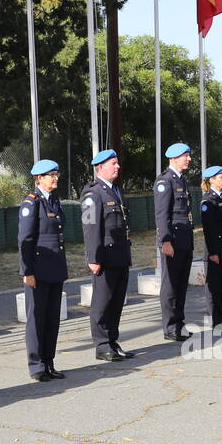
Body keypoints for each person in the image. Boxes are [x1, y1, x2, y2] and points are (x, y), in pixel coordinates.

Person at [81, 149, 134, 361]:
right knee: (102, 303)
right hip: (105, 256)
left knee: (117, 301)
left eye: (117, 162)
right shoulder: (92, 193)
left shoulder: (116, 191)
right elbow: (90, 227)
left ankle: (112, 341)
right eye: (114, 163)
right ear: (100, 167)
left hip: (120, 254)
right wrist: (93, 258)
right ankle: (102, 345)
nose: (118, 166)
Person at [19, 159, 68, 381]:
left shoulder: (54, 200)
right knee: (37, 318)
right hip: (38, 270)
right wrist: (27, 271)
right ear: (39, 179)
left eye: (56, 174)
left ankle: (49, 362)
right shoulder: (32, 203)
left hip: (55, 267)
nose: (55, 178)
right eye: (50, 175)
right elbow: (25, 239)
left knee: (52, 319)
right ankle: (36, 365)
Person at [154, 143, 196, 340]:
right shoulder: (165, 181)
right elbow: (162, 215)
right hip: (173, 240)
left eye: (188, 155)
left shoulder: (182, 180)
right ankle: (170, 327)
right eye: (185, 156)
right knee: (170, 285)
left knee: (180, 284)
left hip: (185, 239)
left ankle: (179, 324)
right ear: (173, 158)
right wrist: (165, 241)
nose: (188, 159)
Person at [199, 166, 222, 329]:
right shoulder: (208, 201)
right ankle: (214, 320)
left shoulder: (221, 198)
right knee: (214, 287)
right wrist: (213, 252)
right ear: (211, 180)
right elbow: (209, 230)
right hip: (216, 250)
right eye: (221, 177)